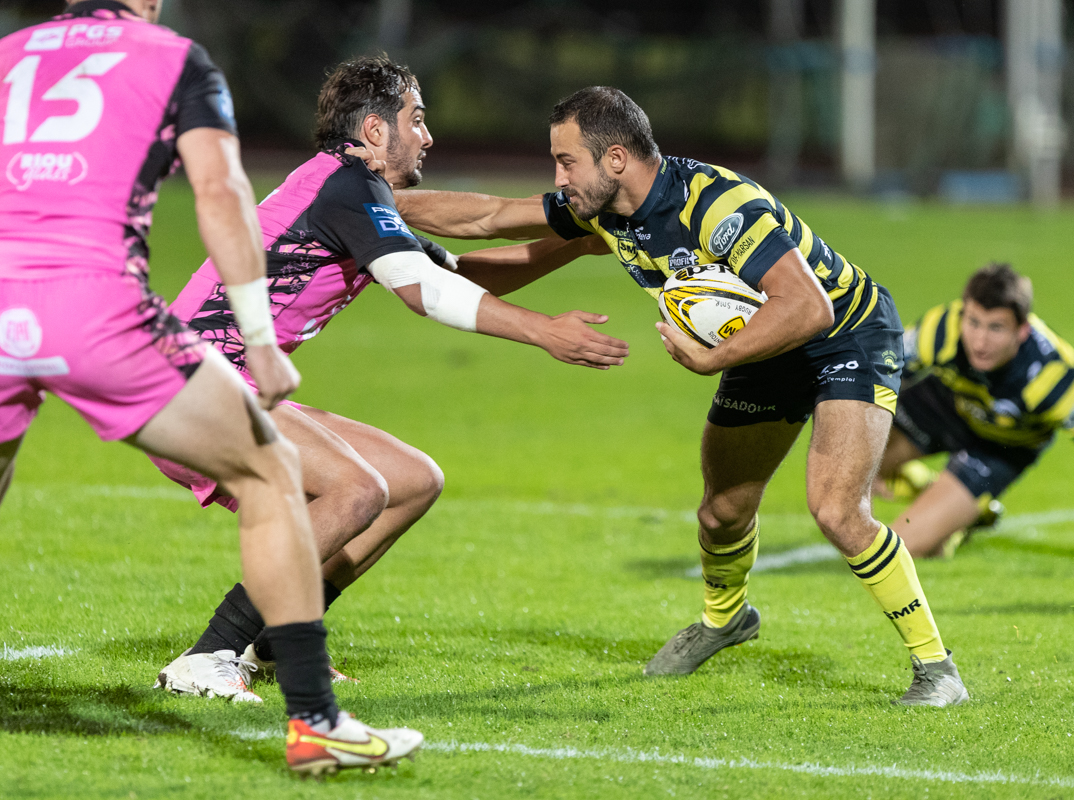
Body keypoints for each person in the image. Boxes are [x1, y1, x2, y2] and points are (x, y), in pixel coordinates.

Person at [390, 86, 969, 706]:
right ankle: (725, 620)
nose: (557, 177)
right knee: (721, 512)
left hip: (843, 332)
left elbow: (807, 304)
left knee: (835, 509)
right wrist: (386, 214)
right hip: (765, 345)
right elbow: (490, 218)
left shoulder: (717, 207)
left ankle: (937, 670)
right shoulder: (605, 213)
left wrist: (714, 359)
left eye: (566, 162)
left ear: (615, 158)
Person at [0, 0, 421, 775]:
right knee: (274, 474)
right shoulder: (172, 57)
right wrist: (259, 342)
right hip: (96, 309)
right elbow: (222, 194)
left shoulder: (13, 51)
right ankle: (311, 720)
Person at [150, 57, 628, 699]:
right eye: (417, 119)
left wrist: (574, 239)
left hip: (219, 382)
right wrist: (545, 331)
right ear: (375, 130)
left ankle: (273, 644)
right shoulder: (346, 187)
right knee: (354, 489)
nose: (428, 136)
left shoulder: (350, 191)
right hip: (189, 385)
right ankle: (208, 654)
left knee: (409, 481)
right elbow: (424, 292)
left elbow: (462, 268)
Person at [875, 263, 1074, 573]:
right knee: (845, 469)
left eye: (996, 328)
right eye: (973, 322)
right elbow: (874, 379)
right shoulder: (941, 329)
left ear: (1022, 330)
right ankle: (927, 489)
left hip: (1000, 447)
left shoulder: (1053, 378)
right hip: (946, 406)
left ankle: (966, 513)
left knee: (900, 550)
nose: (979, 341)